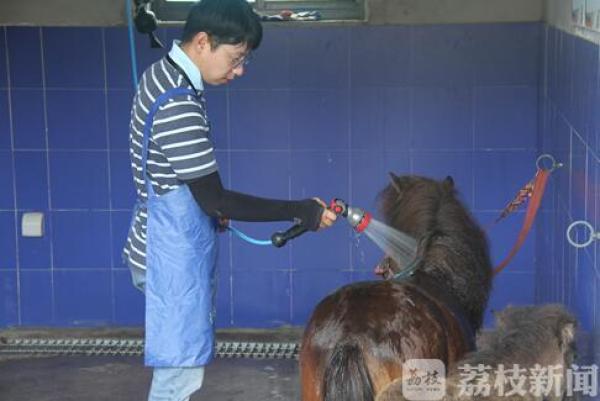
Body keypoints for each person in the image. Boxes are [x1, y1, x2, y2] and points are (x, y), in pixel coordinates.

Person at [122, 0, 337, 400]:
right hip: (170, 258)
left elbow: (182, 180)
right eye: (236, 58)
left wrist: (209, 207)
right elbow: (217, 200)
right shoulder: (177, 101)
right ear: (203, 42)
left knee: (179, 366)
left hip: (159, 240)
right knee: (178, 375)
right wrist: (301, 210)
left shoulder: (163, 74)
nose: (239, 71)